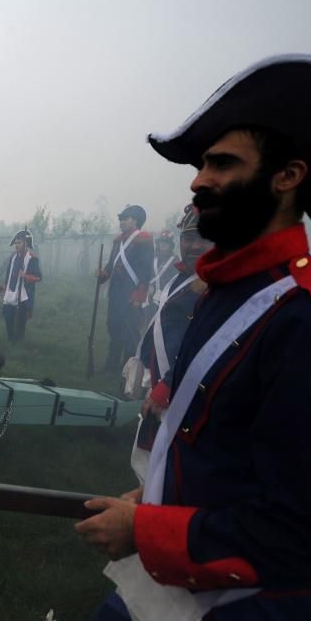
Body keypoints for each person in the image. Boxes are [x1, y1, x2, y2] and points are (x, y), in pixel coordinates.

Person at [77, 55, 311, 621]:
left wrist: (150, 529)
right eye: (200, 165)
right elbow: (223, 449)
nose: (198, 180)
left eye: (221, 163)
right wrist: (154, 501)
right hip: (177, 585)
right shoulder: (225, 293)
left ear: (287, 176)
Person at [127, 205, 212, 480]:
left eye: (203, 238)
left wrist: (165, 387)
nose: (194, 245)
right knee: (150, 463)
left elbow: (204, 347)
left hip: (184, 392)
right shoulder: (182, 278)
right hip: (167, 381)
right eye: (188, 238)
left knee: (169, 469)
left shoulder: (214, 287)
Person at [98, 205, 154, 373]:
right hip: (116, 291)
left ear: (135, 220)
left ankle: (128, 369)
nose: (122, 222)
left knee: (129, 330)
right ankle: (112, 364)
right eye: (121, 219)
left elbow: (146, 270)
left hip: (132, 292)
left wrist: (139, 296)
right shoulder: (118, 241)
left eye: (126, 218)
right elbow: (112, 264)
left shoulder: (144, 240)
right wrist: (103, 274)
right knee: (113, 325)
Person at [1, 229, 42, 343]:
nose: (16, 245)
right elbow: (8, 274)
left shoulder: (32, 258)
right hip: (11, 293)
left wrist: (26, 276)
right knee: (8, 317)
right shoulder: (13, 257)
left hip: (24, 295)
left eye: (19, 242)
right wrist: (5, 288)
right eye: (16, 243)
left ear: (26, 243)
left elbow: (38, 277)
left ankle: (19, 343)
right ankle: (10, 340)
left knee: (20, 321)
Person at [146, 230, 179, 318]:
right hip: (151, 295)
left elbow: (175, 279)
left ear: (170, 245)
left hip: (166, 297)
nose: (163, 244)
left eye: (166, 242)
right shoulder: (154, 257)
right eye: (161, 241)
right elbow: (149, 274)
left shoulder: (175, 260)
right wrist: (150, 285)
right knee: (149, 322)